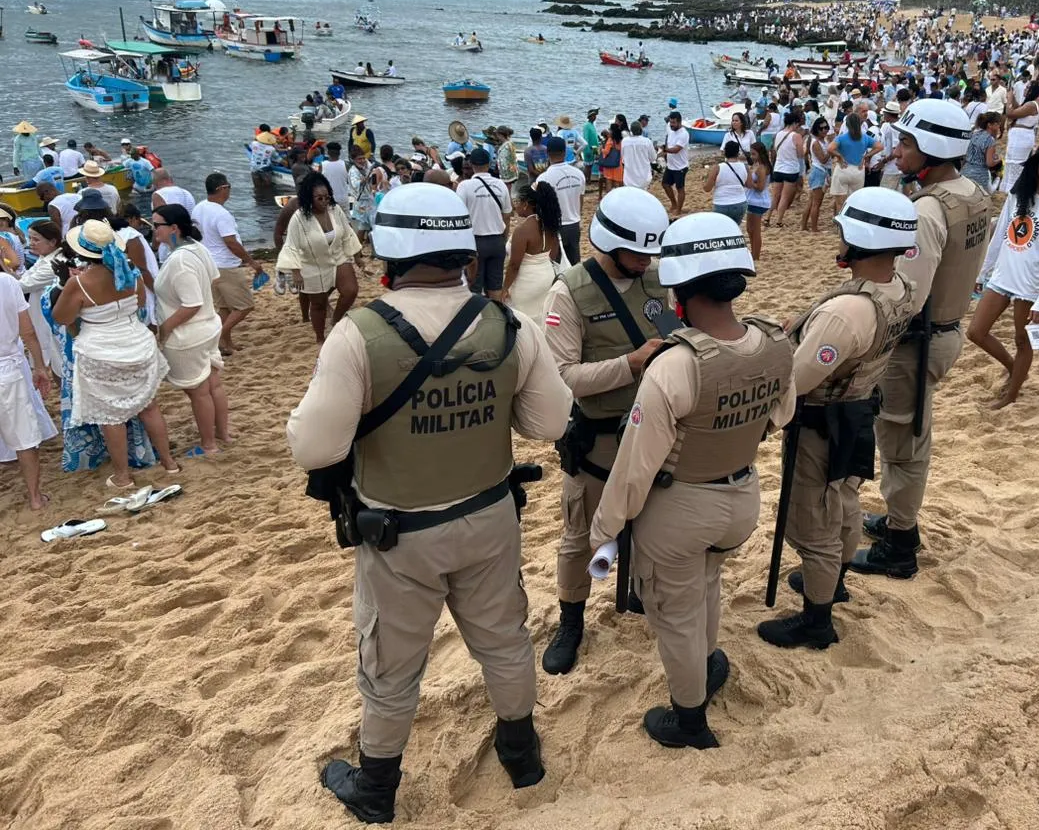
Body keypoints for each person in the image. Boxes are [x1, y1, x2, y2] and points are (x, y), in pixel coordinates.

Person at [287, 183, 573, 821]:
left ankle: (377, 791)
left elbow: (314, 448)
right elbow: (551, 423)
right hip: (490, 514)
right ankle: (521, 755)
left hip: (399, 532)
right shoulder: (509, 326)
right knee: (505, 639)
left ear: (387, 254)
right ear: (464, 252)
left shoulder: (358, 335)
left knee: (391, 664)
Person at [589, 212, 794, 747]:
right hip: (742, 497)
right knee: (706, 583)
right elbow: (779, 417)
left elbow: (634, 470)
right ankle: (707, 663)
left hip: (682, 510)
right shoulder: (774, 342)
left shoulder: (675, 366)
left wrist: (604, 529)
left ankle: (690, 718)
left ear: (679, 288)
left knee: (674, 612)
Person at [760, 188, 918, 638]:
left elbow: (795, 379)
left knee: (815, 523)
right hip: (859, 412)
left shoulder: (847, 313)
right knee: (844, 502)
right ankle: (836, 582)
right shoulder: (900, 287)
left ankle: (817, 619)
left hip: (822, 423)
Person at [853, 100, 988, 581]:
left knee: (902, 443)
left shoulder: (927, 211)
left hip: (916, 344)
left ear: (931, 149)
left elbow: (904, 297)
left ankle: (901, 542)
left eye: (907, 143)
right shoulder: (972, 193)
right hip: (945, 331)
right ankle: (896, 520)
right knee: (909, 434)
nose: (899, 151)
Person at [540, 186, 671, 675]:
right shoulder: (568, 292)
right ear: (609, 242)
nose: (645, 261)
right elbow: (562, 376)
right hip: (597, 437)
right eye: (637, 252)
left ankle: (639, 591)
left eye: (650, 252)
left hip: (653, 430)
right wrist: (630, 365)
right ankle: (571, 620)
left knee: (652, 524)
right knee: (579, 538)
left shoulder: (658, 280)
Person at [51, 219, 181, 487]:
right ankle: (169, 462)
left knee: (111, 416)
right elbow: (140, 304)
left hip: (102, 350)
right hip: (137, 342)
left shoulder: (81, 283)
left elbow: (61, 317)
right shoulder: (130, 271)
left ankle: (123, 475)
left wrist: (68, 289)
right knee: (148, 406)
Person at [968, 141, 1039, 409]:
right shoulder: (1018, 195)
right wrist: (982, 273)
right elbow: (999, 237)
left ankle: (1011, 395)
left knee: (1022, 339)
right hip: (1003, 276)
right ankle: (1015, 368)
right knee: (976, 332)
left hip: (1030, 283)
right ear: (1037, 163)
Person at [151, 205, 232, 455]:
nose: (153, 231)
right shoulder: (197, 248)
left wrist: (164, 329)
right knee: (212, 385)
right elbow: (213, 278)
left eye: (157, 225)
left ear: (174, 228)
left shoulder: (180, 260)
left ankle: (209, 443)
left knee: (199, 392)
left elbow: (192, 304)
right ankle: (222, 433)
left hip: (189, 334)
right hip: (207, 327)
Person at [276, 172, 363, 345]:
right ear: (309, 198)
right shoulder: (299, 219)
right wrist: (296, 272)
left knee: (350, 291)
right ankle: (320, 337)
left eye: (327, 197)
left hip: (337, 257)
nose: (324, 201)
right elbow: (291, 246)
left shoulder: (335, 210)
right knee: (318, 305)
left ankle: (336, 321)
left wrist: (357, 256)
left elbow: (347, 234)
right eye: (319, 198)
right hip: (312, 263)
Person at [0, 268, 55, 509]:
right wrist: (40, 366)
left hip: (7, 365)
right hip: (7, 367)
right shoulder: (7, 282)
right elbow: (28, 331)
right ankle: (35, 497)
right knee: (24, 438)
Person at [193, 172, 264, 356]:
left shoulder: (199, 208)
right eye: (228, 186)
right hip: (225, 266)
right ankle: (218, 337)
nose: (230, 190)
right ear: (221, 189)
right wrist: (251, 262)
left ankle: (226, 344)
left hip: (208, 264)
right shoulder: (221, 214)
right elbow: (231, 242)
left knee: (224, 308)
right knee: (244, 306)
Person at [455, 149, 512, 300]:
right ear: (489, 164)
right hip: (497, 239)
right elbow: (507, 216)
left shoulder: (464, 186)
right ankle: (497, 319)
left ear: (471, 165)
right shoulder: (501, 185)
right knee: (495, 287)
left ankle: (478, 320)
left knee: (474, 288)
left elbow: (459, 217)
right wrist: (503, 239)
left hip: (475, 242)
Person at [502, 181, 563, 320]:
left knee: (524, 320)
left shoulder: (522, 230)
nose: (516, 205)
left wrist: (505, 288)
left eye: (518, 201)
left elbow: (514, 265)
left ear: (526, 204)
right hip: (546, 275)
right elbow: (553, 255)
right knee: (542, 317)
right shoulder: (550, 224)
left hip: (526, 280)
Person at [15, 220, 65, 381]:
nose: (31, 244)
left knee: (57, 362)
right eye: (30, 239)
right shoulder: (44, 258)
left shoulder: (54, 263)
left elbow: (22, 285)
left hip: (51, 320)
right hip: (41, 317)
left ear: (52, 242)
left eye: (36, 239)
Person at [827, 105, 881, 215]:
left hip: (843, 169)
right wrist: (866, 156)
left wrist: (840, 156)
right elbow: (880, 146)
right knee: (854, 201)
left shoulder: (842, 138)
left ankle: (840, 223)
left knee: (839, 202)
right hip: (858, 171)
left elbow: (830, 149)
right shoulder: (864, 137)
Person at [541, 137, 586, 264]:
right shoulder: (579, 174)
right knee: (574, 263)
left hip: (554, 227)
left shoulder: (543, 178)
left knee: (555, 264)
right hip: (573, 223)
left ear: (547, 153)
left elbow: (542, 207)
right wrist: (578, 217)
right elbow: (580, 200)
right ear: (565, 152)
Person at [764, 111, 806, 227]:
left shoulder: (778, 134)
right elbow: (800, 154)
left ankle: (767, 218)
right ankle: (779, 221)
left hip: (778, 168)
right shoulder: (796, 136)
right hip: (791, 169)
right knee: (784, 197)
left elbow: (775, 150)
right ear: (795, 123)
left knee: (775, 195)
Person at [1001, 81, 1039, 192]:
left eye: (1027, 88)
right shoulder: (1031, 103)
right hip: (1020, 138)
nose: (1025, 89)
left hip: (1021, 139)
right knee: (1012, 163)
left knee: (1016, 164)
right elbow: (1018, 108)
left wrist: (1009, 97)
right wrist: (1013, 97)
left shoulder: (1031, 104)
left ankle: (1014, 188)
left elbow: (1010, 113)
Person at [705, 139, 750, 225]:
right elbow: (749, 185)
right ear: (738, 153)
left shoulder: (717, 168)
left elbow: (707, 188)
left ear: (725, 152)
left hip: (722, 203)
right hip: (740, 202)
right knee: (735, 228)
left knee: (721, 230)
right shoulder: (745, 167)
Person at [802, 118, 833, 232]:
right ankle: (814, 228)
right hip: (819, 171)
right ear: (816, 129)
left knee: (812, 201)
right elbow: (823, 159)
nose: (824, 130)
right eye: (822, 128)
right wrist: (831, 150)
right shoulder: (816, 143)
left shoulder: (823, 141)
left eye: (826, 127)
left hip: (820, 171)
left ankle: (804, 226)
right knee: (816, 203)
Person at [744, 142, 773, 262]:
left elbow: (760, 187)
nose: (752, 156)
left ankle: (756, 255)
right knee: (749, 228)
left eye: (754, 154)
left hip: (758, 200)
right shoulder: (758, 165)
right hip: (752, 199)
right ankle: (753, 252)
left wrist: (750, 183)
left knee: (755, 230)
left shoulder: (762, 168)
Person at [658, 112, 691, 215]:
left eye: (674, 123)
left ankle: (679, 209)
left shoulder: (684, 134)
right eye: (671, 122)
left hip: (681, 166)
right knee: (665, 184)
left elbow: (677, 149)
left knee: (680, 188)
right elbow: (668, 140)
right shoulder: (670, 128)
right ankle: (674, 204)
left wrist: (665, 150)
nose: (672, 125)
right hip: (671, 165)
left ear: (679, 122)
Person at [961, 112, 1002, 194]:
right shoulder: (990, 140)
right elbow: (989, 163)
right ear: (989, 125)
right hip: (980, 175)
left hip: (965, 170)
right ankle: (997, 180)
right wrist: (999, 159)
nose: (999, 126)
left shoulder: (975, 134)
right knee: (984, 196)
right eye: (997, 124)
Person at [621, 120, 657, 191]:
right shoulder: (647, 141)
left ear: (631, 131)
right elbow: (653, 158)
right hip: (644, 177)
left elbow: (623, 156)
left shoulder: (625, 141)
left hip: (629, 178)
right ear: (641, 130)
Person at [599, 123, 624, 193]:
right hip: (618, 163)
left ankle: (609, 198)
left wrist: (601, 149)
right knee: (617, 182)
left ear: (612, 131)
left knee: (609, 182)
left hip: (609, 164)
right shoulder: (621, 140)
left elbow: (606, 152)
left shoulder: (610, 140)